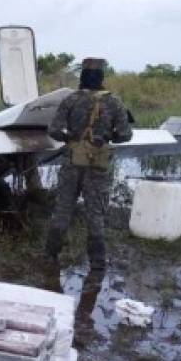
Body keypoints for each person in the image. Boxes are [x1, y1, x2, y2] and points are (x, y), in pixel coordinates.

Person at [45, 58, 132, 270]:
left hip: (71, 162)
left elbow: (54, 131)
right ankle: (98, 264)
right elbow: (125, 135)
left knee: (63, 210)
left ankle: (51, 256)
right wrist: (107, 136)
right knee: (96, 214)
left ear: (82, 76)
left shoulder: (70, 100)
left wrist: (70, 139)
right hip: (98, 166)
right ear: (101, 77)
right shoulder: (114, 102)